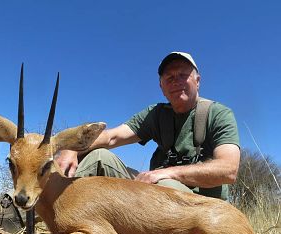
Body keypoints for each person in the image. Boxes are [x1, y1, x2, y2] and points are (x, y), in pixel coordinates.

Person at [56, 52, 240, 200]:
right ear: (161, 87)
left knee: (164, 186)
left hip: (200, 209)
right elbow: (112, 137)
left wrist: (165, 174)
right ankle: (35, 212)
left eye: (183, 75)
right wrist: (72, 148)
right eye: (169, 78)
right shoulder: (156, 113)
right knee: (98, 157)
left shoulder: (218, 114)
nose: (176, 81)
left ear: (197, 81)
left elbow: (228, 170)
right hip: (154, 196)